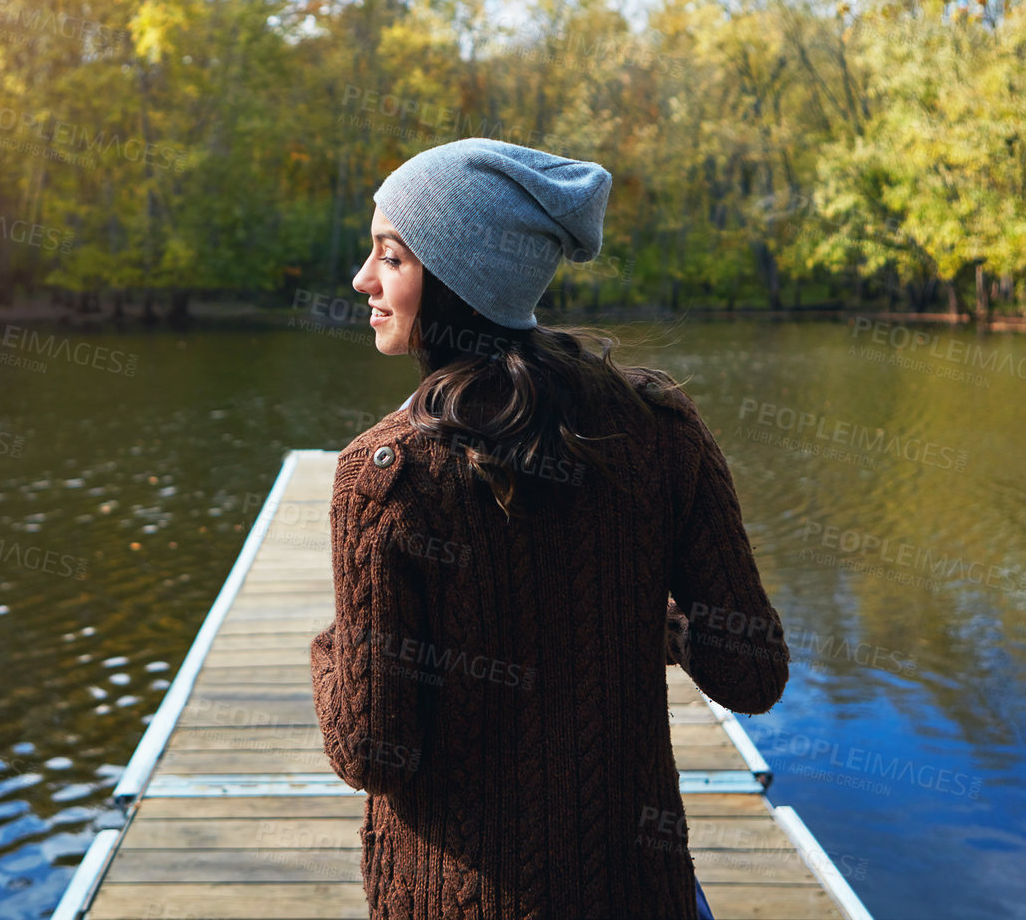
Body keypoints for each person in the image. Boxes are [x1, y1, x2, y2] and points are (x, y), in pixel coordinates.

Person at [309, 138, 791, 920]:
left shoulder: (387, 473)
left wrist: (334, 646)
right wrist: (648, 625)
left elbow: (370, 751)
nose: (363, 279)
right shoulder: (660, 427)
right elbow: (750, 672)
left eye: (389, 257)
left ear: (459, 277)